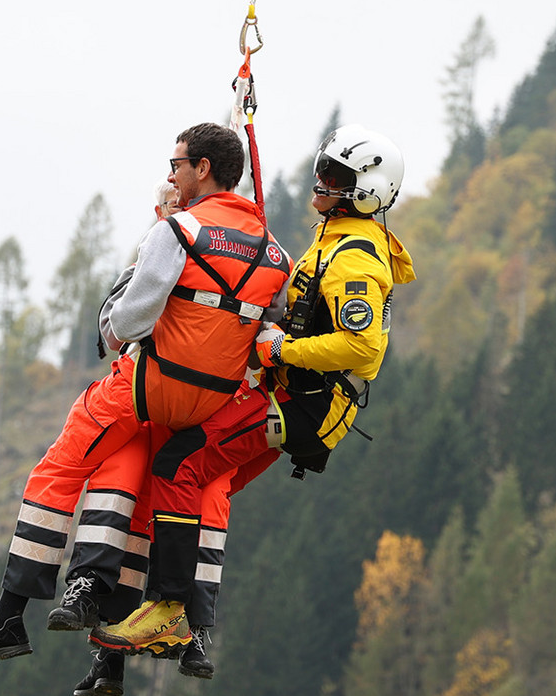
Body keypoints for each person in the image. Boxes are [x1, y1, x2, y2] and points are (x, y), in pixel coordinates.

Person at [0, 122, 292, 662]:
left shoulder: (178, 230)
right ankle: (152, 636)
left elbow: (131, 317)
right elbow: (267, 331)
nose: (171, 174)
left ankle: (8, 617)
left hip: (146, 388)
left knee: (61, 470)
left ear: (202, 169)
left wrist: (119, 308)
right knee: (158, 488)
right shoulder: (276, 256)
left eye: (177, 165)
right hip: (209, 407)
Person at [93, 124, 415, 657]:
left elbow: (363, 351)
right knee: (194, 488)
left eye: (333, 176)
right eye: (321, 169)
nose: (320, 181)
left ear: (366, 190)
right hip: (295, 398)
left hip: (303, 406)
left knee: (178, 466)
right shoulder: (335, 239)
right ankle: (182, 622)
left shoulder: (356, 256)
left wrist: (279, 350)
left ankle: (169, 609)